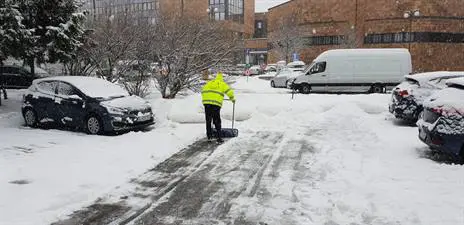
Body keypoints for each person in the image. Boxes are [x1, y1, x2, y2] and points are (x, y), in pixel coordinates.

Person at [201, 72, 235, 143]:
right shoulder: (222, 84)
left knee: (208, 120)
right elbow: (229, 91)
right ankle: (219, 138)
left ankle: (209, 137)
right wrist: (232, 99)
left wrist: (207, 99)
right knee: (217, 120)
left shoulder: (209, 83)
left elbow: (203, 90)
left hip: (207, 103)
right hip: (216, 104)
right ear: (221, 79)